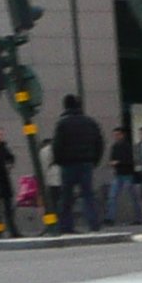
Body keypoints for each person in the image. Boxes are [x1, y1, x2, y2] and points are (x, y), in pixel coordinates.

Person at [47, 93, 106, 232]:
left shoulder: (62, 123)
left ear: (65, 106)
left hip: (68, 164)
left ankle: (66, 226)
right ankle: (94, 225)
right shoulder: (90, 122)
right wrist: (94, 160)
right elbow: (100, 143)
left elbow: (57, 145)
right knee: (88, 195)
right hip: (86, 163)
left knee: (66, 197)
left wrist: (59, 161)